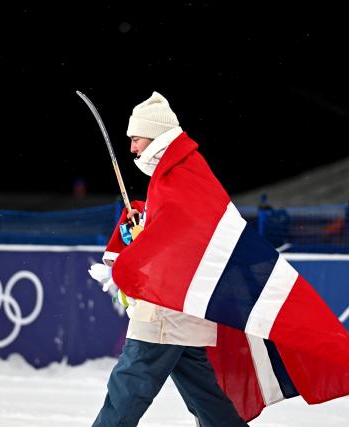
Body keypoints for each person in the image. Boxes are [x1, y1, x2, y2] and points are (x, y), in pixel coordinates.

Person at [88, 92, 248, 427]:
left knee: (125, 391)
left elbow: (183, 237)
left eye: (136, 139)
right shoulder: (183, 172)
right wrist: (145, 223)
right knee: (207, 399)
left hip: (166, 307)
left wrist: (141, 244)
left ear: (157, 136)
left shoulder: (176, 176)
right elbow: (180, 227)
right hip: (183, 311)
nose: (132, 149)